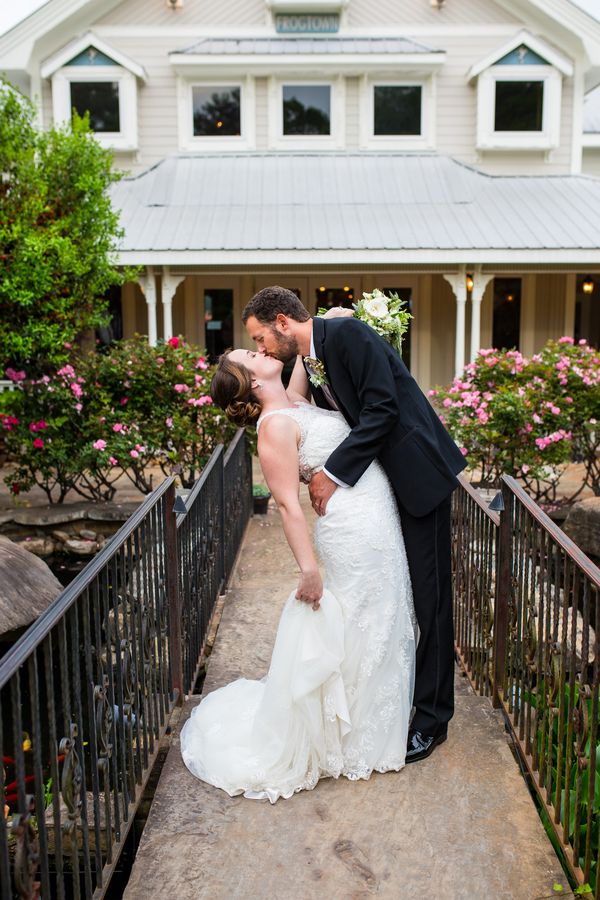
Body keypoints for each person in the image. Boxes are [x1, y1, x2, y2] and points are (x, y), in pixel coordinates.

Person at [179, 346, 417, 802]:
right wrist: (308, 568)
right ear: (249, 379)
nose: (262, 349)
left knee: (386, 611)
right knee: (369, 616)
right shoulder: (274, 428)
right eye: (251, 352)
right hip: (351, 527)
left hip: (376, 510)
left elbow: (305, 363)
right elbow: (288, 505)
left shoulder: (290, 403)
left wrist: (331, 325)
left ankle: (373, 725)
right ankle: (353, 737)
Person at [241, 287, 467, 763]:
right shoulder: (315, 353)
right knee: (401, 596)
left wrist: (332, 473)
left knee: (432, 602)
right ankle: (400, 696)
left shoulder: (347, 335)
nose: (261, 349)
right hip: (381, 493)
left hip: (418, 478)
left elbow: (383, 409)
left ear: (282, 322)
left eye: (261, 338)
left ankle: (432, 720)